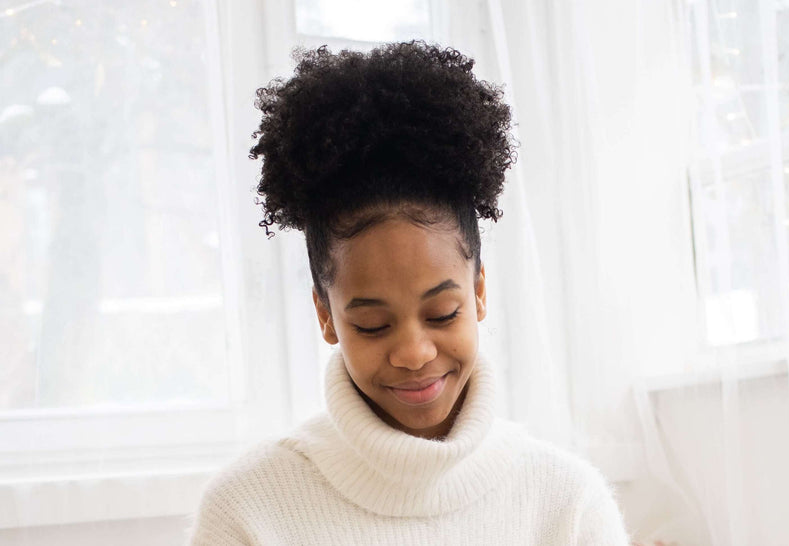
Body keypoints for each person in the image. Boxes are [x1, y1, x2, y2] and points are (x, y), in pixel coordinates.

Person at [189, 41, 630, 545]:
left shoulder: (566, 503)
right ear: (325, 315)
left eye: (443, 313)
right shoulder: (248, 510)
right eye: (373, 324)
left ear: (480, 292)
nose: (414, 353)